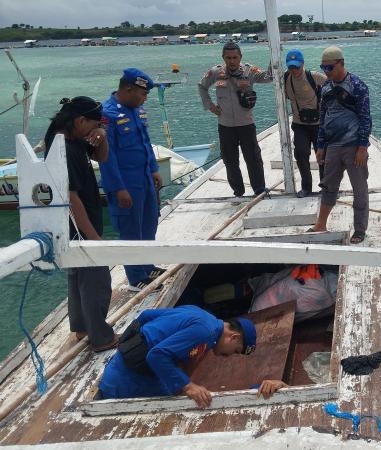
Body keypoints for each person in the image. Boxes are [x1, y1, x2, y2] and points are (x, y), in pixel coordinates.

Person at [98, 305, 287, 407]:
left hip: (115, 369)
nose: (228, 356)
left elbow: (146, 315)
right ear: (233, 337)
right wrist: (188, 386)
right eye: (235, 351)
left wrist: (130, 343)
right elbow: (156, 355)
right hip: (126, 385)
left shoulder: (201, 314)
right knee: (181, 405)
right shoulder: (206, 332)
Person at [43, 96, 118, 352]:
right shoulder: (65, 149)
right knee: (96, 278)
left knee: (78, 275)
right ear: (80, 120)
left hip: (73, 224)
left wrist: (101, 134)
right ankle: (102, 337)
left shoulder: (68, 137)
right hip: (79, 223)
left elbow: (101, 158)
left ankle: (82, 327)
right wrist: (93, 237)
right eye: (94, 124)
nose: (95, 128)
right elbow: (71, 197)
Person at [100, 68, 165, 292]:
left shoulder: (137, 110)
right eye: (143, 94)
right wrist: (118, 188)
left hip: (144, 177)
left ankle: (147, 266)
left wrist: (154, 169)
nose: (145, 98)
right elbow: (107, 157)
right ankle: (136, 277)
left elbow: (145, 142)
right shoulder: (108, 115)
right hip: (125, 180)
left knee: (149, 223)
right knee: (130, 228)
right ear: (129, 89)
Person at [308, 46, 372, 244]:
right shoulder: (326, 88)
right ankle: (321, 224)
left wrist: (362, 147)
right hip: (333, 146)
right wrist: (320, 146)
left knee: (359, 189)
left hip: (353, 146)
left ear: (341, 63)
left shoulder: (357, 86)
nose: (326, 71)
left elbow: (366, 119)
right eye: (323, 68)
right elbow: (323, 117)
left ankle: (359, 230)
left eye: (330, 67)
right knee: (328, 186)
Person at [198, 42, 273, 197]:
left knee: (253, 158)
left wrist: (274, 57)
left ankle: (259, 189)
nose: (232, 61)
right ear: (223, 58)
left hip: (246, 124)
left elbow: (269, 77)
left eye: (235, 57)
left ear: (240, 57)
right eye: (228, 58)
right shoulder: (215, 72)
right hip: (225, 126)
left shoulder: (250, 71)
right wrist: (210, 106)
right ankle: (238, 191)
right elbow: (202, 86)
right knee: (230, 161)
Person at [284, 49, 327, 198]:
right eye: (291, 67)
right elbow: (270, 78)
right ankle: (306, 187)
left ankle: (326, 186)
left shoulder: (313, 76)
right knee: (301, 153)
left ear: (302, 64)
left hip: (318, 124)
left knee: (323, 155)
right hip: (299, 123)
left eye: (297, 66)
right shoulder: (285, 79)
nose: (294, 70)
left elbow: (333, 83)